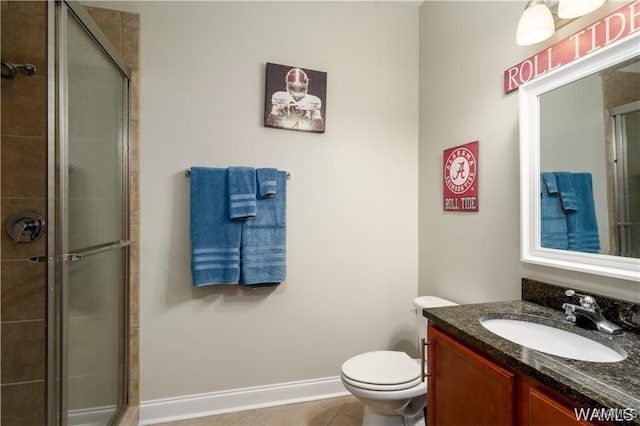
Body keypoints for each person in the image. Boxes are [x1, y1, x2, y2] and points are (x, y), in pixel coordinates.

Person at [267, 68, 324, 132]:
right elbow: (272, 123)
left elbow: (318, 128)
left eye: (300, 88)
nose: (297, 91)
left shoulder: (313, 101)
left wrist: (304, 117)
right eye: (294, 88)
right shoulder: (280, 98)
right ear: (288, 86)